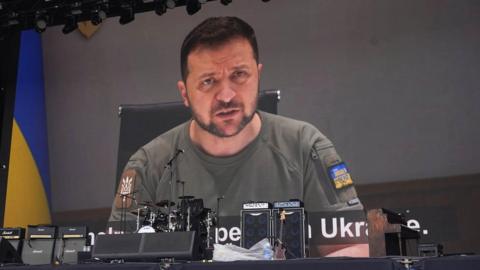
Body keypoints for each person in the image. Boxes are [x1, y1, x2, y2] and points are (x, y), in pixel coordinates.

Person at [109, 16, 366, 256]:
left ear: (258, 75)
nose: (226, 96)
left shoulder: (307, 148)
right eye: (208, 81)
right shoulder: (147, 166)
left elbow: (351, 252)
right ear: (184, 93)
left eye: (239, 75)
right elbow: (118, 259)